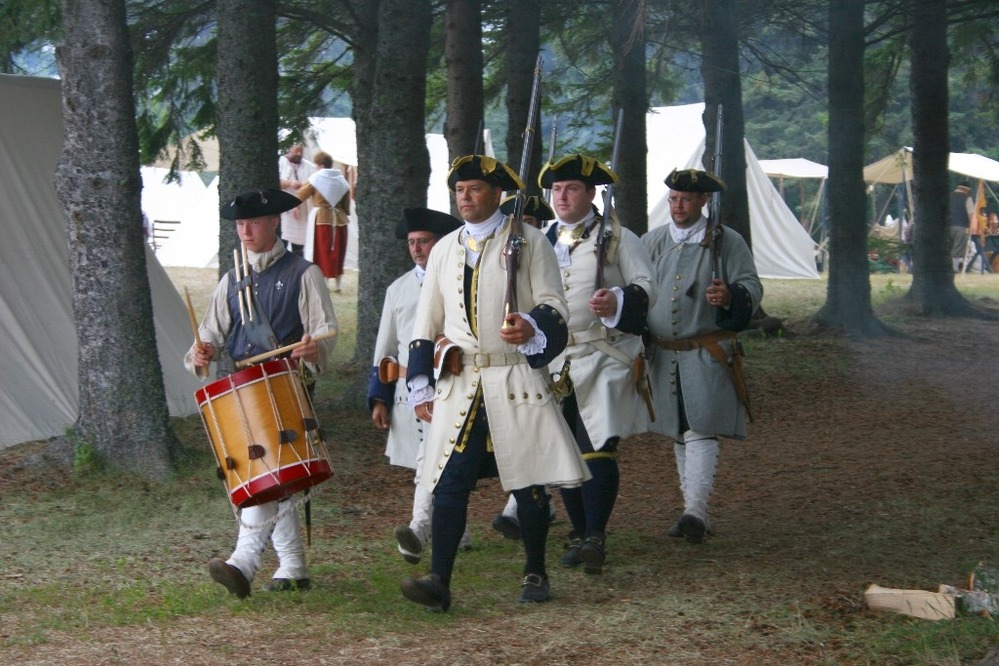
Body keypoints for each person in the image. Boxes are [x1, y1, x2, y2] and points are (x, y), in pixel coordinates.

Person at [400, 155, 590, 611]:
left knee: (527, 483)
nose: (465, 198)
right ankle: (439, 581)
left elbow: (554, 304)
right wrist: (421, 382)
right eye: (460, 191)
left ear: (498, 194)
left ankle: (535, 570)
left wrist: (529, 324)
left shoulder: (528, 242)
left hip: (515, 375)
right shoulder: (445, 248)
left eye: (475, 190)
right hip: (461, 383)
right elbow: (426, 320)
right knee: (448, 482)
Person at [185, 187, 339, 597]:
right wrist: (202, 351)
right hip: (242, 395)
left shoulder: (304, 273)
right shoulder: (231, 279)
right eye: (239, 224)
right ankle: (292, 567)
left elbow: (324, 334)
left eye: (253, 222)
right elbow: (208, 337)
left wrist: (311, 350)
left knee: (268, 471)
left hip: (287, 386)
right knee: (268, 473)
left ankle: (243, 562)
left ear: (274, 223)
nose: (245, 230)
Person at [516, 154, 656, 575]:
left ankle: (596, 533)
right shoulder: (539, 239)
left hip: (604, 353)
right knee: (564, 446)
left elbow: (646, 286)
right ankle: (579, 533)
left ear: (591, 193)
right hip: (554, 358)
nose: (562, 196)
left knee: (596, 442)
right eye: (556, 189)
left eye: (571, 188)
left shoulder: (617, 237)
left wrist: (617, 300)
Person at [641, 168, 762, 544]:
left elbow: (752, 286)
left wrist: (729, 297)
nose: (678, 206)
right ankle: (693, 510)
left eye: (687, 199)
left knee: (701, 428)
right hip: (664, 354)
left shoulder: (727, 241)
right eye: (674, 199)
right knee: (680, 429)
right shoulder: (653, 241)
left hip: (706, 351)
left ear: (703, 201)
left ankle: (695, 510)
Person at [367, 207, 472, 564]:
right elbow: (385, 345)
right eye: (412, 242)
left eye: (424, 241)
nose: (417, 249)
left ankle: (419, 528)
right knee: (429, 462)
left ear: (440, 242)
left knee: (436, 460)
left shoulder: (459, 281)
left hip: (453, 383)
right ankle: (457, 528)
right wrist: (379, 397)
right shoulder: (397, 289)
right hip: (408, 390)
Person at [296, 151, 351, 291]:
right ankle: (338, 284)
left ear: (320, 165)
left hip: (322, 219)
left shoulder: (316, 178)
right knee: (338, 252)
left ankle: (324, 283)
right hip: (340, 220)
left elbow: (301, 194)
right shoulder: (341, 179)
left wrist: (294, 206)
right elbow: (346, 204)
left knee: (322, 252)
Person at [279, 144, 315, 256]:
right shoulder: (280, 163)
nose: (299, 154)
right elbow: (274, 182)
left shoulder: (309, 166)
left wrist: (303, 187)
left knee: (299, 245)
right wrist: (289, 183)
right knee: (281, 240)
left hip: (302, 211)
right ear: (289, 150)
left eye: (301, 151)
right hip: (283, 210)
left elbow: (314, 184)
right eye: (297, 151)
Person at [949, 181, 974, 273]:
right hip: (961, 226)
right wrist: (972, 227)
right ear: (966, 189)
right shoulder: (967, 198)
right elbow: (971, 214)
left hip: (947, 226)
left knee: (948, 247)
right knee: (958, 247)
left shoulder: (948, 196)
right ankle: (955, 268)